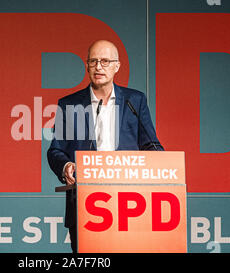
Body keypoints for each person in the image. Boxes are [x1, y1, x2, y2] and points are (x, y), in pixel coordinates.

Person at [47, 40, 163, 253]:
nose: (99, 67)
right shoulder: (69, 104)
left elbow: (151, 145)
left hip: (131, 204)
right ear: (87, 66)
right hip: (85, 204)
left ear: (117, 66)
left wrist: (162, 163)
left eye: (105, 61)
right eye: (94, 61)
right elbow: (55, 150)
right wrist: (66, 167)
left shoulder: (134, 100)